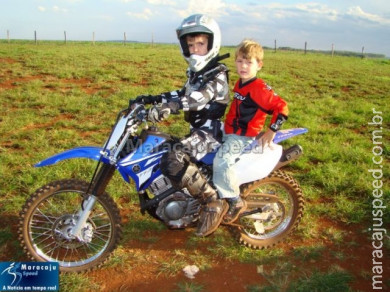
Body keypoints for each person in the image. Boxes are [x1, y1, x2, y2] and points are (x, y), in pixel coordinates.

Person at [131, 14, 230, 236]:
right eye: (191, 44)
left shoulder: (218, 75)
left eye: (201, 44)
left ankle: (212, 202)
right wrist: (152, 99)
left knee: (173, 159)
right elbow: (182, 93)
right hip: (198, 131)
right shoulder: (196, 74)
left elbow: (200, 98)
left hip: (210, 133)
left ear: (212, 43)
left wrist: (172, 107)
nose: (195, 49)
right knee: (163, 148)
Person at [207, 39, 289, 233]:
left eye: (249, 62)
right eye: (240, 61)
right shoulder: (240, 83)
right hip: (228, 130)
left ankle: (235, 200)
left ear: (259, 65)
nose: (243, 66)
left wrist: (272, 130)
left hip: (241, 137)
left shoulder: (260, 89)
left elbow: (282, 108)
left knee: (222, 163)